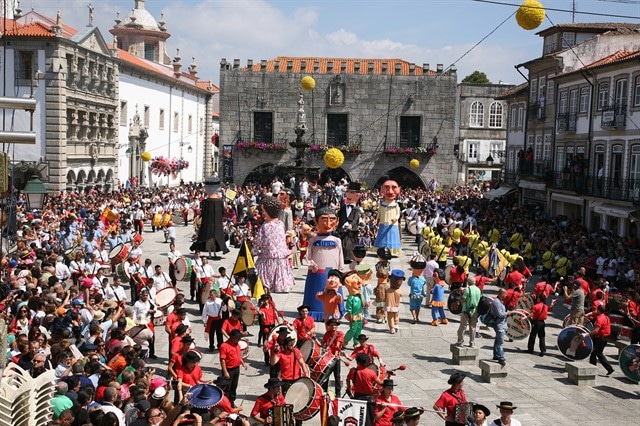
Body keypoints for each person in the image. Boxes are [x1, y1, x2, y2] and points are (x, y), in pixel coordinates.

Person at [253, 195, 294, 293]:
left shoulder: (265, 226)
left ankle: (267, 284)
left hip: (268, 255)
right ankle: (281, 285)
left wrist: (254, 247)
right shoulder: (280, 224)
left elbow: (260, 241)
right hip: (280, 255)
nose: (262, 213)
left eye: (263, 211)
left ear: (268, 211)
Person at [191, 176, 229, 258]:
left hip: (207, 225)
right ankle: (216, 251)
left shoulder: (205, 202)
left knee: (205, 238)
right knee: (217, 238)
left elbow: (202, 213)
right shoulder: (220, 202)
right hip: (217, 225)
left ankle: (208, 252)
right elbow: (223, 213)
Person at [346, 353, 384, 426]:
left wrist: (349, 388)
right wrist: (386, 377)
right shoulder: (371, 373)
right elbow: (380, 382)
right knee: (368, 419)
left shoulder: (353, 371)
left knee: (356, 418)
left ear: (358, 362)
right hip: (368, 398)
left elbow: (347, 379)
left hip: (356, 397)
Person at [582, 304, 614, 375]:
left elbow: (596, 331)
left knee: (594, 353)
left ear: (599, 310)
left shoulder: (600, 319)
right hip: (604, 338)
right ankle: (609, 368)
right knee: (598, 353)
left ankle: (592, 369)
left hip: (600, 338)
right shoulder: (606, 317)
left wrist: (586, 334)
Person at [220, 329, 248, 405]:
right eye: (238, 338)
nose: (239, 340)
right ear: (233, 338)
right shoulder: (224, 346)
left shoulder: (237, 345)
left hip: (236, 368)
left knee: (234, 386)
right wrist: (225, 372)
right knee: (227, 387)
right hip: (229, 369)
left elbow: (238, 355)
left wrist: (243, 363)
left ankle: (232, 401)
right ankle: (226, 402)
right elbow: (222, 360)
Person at [338, 182, 363, 263]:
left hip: (352, 229)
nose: (349, 195)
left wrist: (351, 225)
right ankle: (342, 257)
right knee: (342, 244)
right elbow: (339, 216)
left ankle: (349, 258)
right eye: (348, 192)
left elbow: (355, 219)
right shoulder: (342, 207)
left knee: (349, 244)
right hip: (342, 228)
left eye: (352, 193)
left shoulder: (357, 209)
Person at [322, 318, 344, 395]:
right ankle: (324, 392)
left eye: (335, 325)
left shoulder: (340, 334)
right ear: (329, 326)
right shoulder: (326, 334)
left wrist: (335, 354)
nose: (334, 326)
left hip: (335, 358)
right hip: (327, 359)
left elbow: (338, 345)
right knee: (325, 376)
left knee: (337, 377)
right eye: (332, 325)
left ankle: (338, 394)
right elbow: (322, 344)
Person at [457, 277, 481, 347]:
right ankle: (472, 343)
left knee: (463, 326)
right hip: (475, 311)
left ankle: (460, 341)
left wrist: (460, 295)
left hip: (466, 311)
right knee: (473, 327)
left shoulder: (467, 290)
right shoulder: (478, 290)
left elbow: (463, 300)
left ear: (468, 282)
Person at [491, 288, 508, 366]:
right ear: (501, 294)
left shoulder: (500, 302)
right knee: (500, 342)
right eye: (505, 294)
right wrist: (507, 313)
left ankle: (496, 355)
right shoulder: (497, 302)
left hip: (501, 324)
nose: (506, 295)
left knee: (497, 340)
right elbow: (500, 314)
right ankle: (501, 357)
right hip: (499, 324)